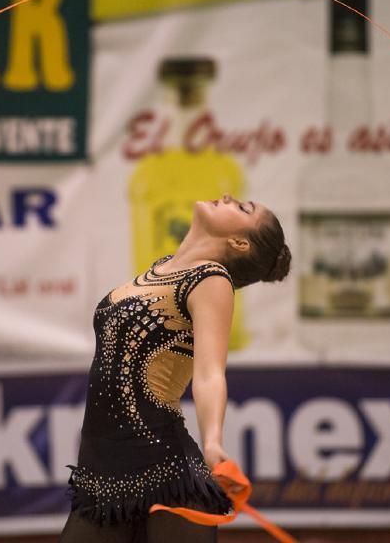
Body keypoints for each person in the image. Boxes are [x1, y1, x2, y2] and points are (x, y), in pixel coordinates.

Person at [59, 194, 291, 543]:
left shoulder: (211, 279)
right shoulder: (162, 268)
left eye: (243, 208)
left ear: (240, 242)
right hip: (100, 479)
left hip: (164, 473)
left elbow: (211, 373)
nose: (228, 197)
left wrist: (213, 442)